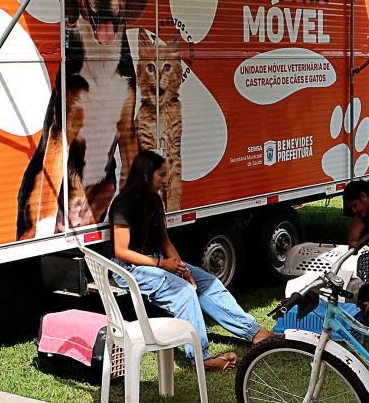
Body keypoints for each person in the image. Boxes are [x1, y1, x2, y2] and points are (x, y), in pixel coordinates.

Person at [110, 150, 271, 371]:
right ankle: (200, 358)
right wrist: (161, 265)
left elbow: (165, 241)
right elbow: (121, 251)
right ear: (146, 175)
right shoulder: (123, 204)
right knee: (184, 293)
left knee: (208, 283)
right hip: (130, 268)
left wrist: (183, 269)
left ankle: (254, 332)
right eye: (161, 175)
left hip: (156, 260)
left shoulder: (154, 200)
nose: (165, 180)